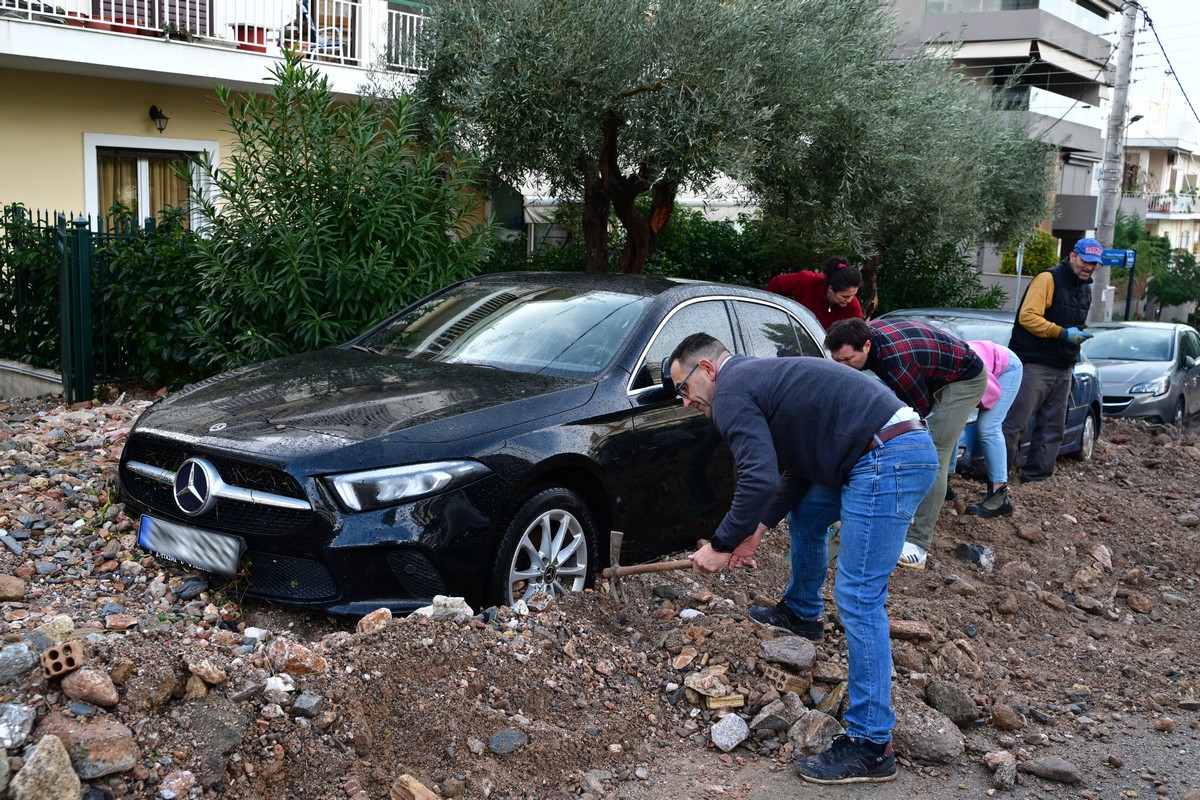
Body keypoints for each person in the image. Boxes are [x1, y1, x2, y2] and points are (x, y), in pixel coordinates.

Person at [668, 333, 938, 785]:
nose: (685, 402)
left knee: (858, 597)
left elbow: (755, 478)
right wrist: (753, 533)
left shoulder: (732, 390)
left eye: (684, 389)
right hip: (881, 449)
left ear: (708, 370)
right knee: (809, 515)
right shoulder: (759, 382)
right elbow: (793, 471)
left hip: (886, 458)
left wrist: (719, 544)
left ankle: (872, 744)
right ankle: (803, 612)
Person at [823, 318, 985, 570]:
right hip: (934, 371)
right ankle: (907, 508)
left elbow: (919, 412)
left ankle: (918, 543)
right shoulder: (863, 338)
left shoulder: (895, 364)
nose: (843, 366)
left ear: (866, 346)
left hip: (963, 379)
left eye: (847, 360)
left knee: (932, 452)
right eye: (837, 361)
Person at [1002, 237, 1099, 482]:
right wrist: (1062, 333)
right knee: (1015, 424)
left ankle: (1037, 477)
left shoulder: (1085, 288)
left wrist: (1074, 342)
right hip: (1034, 364)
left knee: (1053, 427)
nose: (1089, 267)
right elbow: (1028, 317)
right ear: (1073, 256)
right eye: (1085, 261)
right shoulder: (1048, 279)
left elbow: (1074, 323)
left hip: (1064, 366)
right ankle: (998, 476)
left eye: (1094, 264)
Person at [957, 340, 1023, 517]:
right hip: (984, 363)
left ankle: (999, 496)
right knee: (952, 423)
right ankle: (946, 482)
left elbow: (990, 395)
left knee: (988, 428)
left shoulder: (968, 367)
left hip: (1007, 368)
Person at [766, 256, 864, 330]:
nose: (850, 300)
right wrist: (773, 314)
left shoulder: (853, 308)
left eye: (853, 295)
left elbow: (853, 336)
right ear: (830, 289)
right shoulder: (808, 280)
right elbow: (776, 283)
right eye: (845, 296)